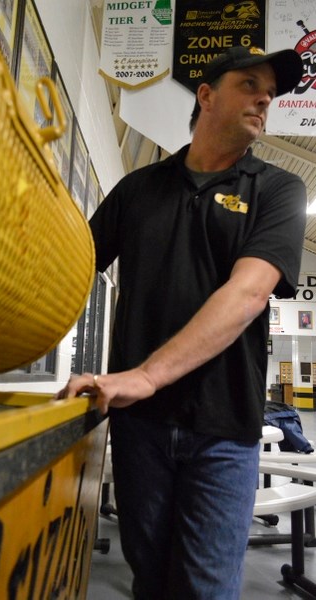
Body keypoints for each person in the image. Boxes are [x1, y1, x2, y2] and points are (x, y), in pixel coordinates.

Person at [57, 46, 307, 599]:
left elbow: (248, 293)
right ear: (206, 94)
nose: (265, 98)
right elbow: (68, 271)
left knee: (205, 589)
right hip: (140, 426)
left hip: (223, 428)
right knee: (150, 580)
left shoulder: (280, 190)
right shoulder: (138, 190)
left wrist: (145, 374)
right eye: (250, 84)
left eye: (270, 92)